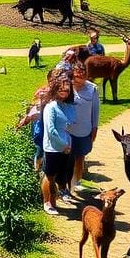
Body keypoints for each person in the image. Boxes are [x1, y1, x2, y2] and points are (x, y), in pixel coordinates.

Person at [40, 75, 76, 215]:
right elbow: (51, 130)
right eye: (60, 90)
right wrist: (63, 145)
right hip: (53, 148)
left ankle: (58, 199)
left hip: (66, 147)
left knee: (62, 176)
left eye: (66, 90)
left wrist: (68, 144)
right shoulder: (50, 107)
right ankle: (48, 203)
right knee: (50, 176)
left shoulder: (67, 106)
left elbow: (71, 122)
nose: (64, 92)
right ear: (55, 89)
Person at [70, 63, 100, 191]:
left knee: (80, 157)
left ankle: (77, 183)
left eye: (83, 75)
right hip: (68, 131)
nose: (80, 79)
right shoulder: (67, 87)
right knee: (67, 159)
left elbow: (95, 110)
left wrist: (95, 128)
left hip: (84, 130)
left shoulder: (92, 89)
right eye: (77, 75)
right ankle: (66, 185)